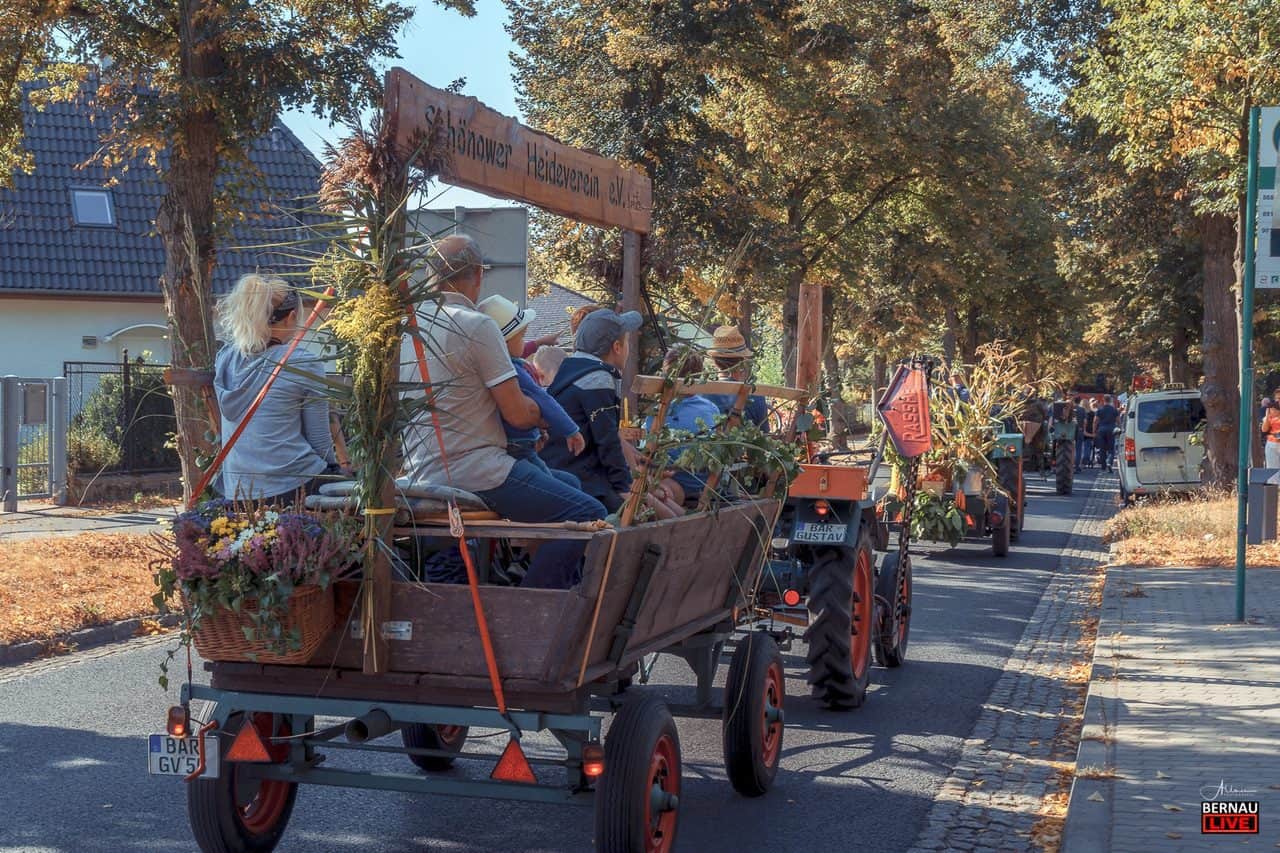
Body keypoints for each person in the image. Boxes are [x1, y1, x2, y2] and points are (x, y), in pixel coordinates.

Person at [400, 235, 605, 590]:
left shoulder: (405, 328)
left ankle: (538, 583)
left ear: (432, 275)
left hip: (420, 469)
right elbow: (518, 415)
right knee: (589, 514)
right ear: (478, 274)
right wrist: (543, 416)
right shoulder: (476, 325)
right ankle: (536, 609)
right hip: (476, 470)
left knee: (569, 485)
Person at [213, 273, 336, 503]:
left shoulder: (225, 359)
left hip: (237, 490)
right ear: (290, 317)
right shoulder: (301, 362)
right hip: (293, 483)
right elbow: (319, 438)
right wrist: (335, 469)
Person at [475, 295, 586, 486]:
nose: (525, 342)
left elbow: (518, 349)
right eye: (522, 336)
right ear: (505, 343)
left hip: (513, 443)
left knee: (570, 482)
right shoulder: (513, 370)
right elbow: (543, 399)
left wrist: (539, 343)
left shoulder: (499, 364)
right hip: (521, 446)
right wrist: (571, 430)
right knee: (555, 485)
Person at [541, 308, 642, 513]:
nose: (630, 348)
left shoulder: (573, 366)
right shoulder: (598, 378)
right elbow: (607, 438)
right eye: (628, 342)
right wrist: (624, 486)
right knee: (638, 515)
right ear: (617, 347)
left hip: (562, 467)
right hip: (579, 477)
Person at [701, 326, 769, 429]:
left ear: (714, 361)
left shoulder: (702, 394)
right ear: (743, 361)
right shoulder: (756, 397)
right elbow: (765, 435)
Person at [1095, 394, 1120, 472]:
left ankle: (1103, 465)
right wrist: (1119, 428)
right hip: (1111, 430)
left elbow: (1095, 421)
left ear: (1103, 400)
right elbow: (1118, 421)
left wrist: (1094, 430)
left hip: (1101, 430)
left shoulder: (1100, 410)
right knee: (1111, 449)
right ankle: (1109, 462)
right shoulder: (1114, 410)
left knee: (1102, 448)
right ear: (1111, 400)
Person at [1261, 391, 1280, 469]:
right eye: (1277, 398)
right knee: (1272, 473)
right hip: (1272, 444)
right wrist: (1267, 417)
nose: (1278, 401)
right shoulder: (1272, 410)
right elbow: (1264, 429)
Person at [1072, 396, 1089, 473]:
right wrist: (1083, 429)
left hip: (1070, 430)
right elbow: (1085, 421)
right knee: (1078, 449)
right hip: (1079, 430)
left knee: (1070, 447)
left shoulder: (1070, 409)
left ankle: (1069, 464)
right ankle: (1077, 466)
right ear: (1079, 401)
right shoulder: (1082, 410)